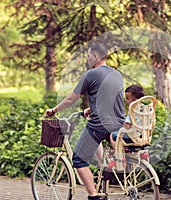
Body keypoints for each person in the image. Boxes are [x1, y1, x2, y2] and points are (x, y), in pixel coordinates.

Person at [46, 42, 125, 200]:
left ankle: (93, 196)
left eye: (89, 55)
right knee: (96, 144)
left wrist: (54, 110)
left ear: (95, 56)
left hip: (100, 124)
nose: (87, 58)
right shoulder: (117, 74)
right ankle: (106, 169)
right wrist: (92, 109)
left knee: (78, 159)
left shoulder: (91, 74)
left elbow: (71, 99)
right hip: (119, 122)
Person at [110, 84, 145, 150]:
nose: (126, 101)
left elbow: (127, 126)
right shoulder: (146, 109)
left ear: (135, 100)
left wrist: (124, 125)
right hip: (143, 137)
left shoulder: (132, 110)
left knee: (113, 135)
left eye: (127, 98)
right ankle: (128, 151)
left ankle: (119, 155)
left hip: (132, 137)